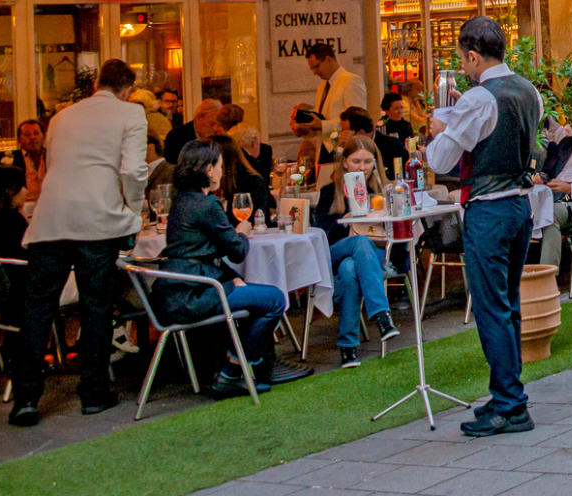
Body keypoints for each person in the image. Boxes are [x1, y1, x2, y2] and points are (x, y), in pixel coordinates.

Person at [7, 59, 151, 426]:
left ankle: (25, 399)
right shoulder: (130, 113)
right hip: (97, 221)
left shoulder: (61, 117)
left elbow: (52, 166)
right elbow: (133, 171)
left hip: (49, 220)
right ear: (126, 90)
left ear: (96, 84)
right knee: (96, 307)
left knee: (37, 310)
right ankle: (93, 393)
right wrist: (132, 212)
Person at [422, 16, 542, 437]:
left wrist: (441, 128)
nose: (465, 66)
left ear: (472, 56)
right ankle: (506, 393)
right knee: (508, 305)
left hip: (489, 210)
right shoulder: (529, 90)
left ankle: (511, 404)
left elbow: (440, 161)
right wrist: (460, 113)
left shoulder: (478, 98)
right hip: (520, 206)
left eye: (464, 59)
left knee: (492, 309)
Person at [155, 140, 312, 398]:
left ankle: (252, 366)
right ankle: (233, 370)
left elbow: (200, 250)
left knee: (253, 295)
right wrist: (243, 232)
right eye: (219, 165)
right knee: (274, 299)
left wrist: (230, 278)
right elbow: (236, 250)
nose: (222, 170)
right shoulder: (207, 205)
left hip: (177, 291)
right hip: (195, 294)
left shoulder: (182, 201)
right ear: (208, 170)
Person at [310, 140, 399, 368]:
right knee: (358, 242)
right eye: (356, 161)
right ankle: (381, 314)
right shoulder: (330, 192)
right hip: (336, 250)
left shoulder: (383, 191)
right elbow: (323, 234)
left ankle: (348, 347)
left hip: (371, 255)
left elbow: (396, 233)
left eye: (368, 161)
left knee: (350, 270)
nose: (362, 167)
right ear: (345, 163)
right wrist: (349, 218)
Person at [297, 42, 366, 132]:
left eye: (317, 66)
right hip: (323, 144)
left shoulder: (351, 81)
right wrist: (308, 128)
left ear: (328, 59)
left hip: (342, 144)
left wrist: (322, 125)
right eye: (312, 68)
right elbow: (324, 118)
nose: (314, 72)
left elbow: (357, 121)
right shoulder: (322, 87)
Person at [161, 99, 222, 168]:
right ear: (199, 118)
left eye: (219, 124)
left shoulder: (219, 136)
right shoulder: (176, 136)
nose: (216, 128)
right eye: (212, 124)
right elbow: (171, 168)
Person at [374, 91, 415, 170]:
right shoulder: (381, 126)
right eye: (396, 108)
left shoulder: (406, 125)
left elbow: (412, 147)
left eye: (401, 107)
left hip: (405, 162)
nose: (400, 111)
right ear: (386, 110)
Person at [14, 118, 48, 201]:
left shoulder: (51, 156)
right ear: (19, 140)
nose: (32, 137)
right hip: (23, 206)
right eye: (27, 134)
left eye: (36, 133)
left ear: (44, 137)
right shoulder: (12, 159)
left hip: (49, 204)